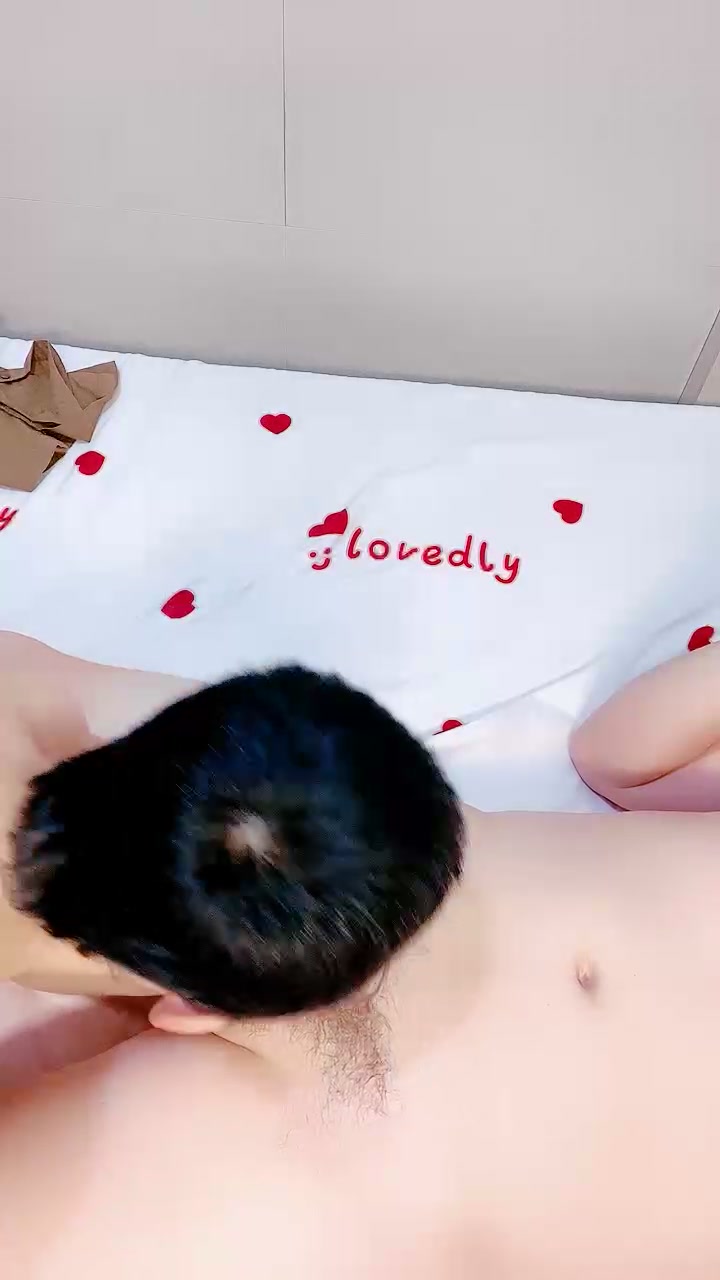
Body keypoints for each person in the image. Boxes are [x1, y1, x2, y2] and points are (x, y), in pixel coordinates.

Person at [2, 631, 720, 1278]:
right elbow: (620, 756)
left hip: (353, 1129)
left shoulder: (266, 1189)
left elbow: (620, 755)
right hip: (340, 855)